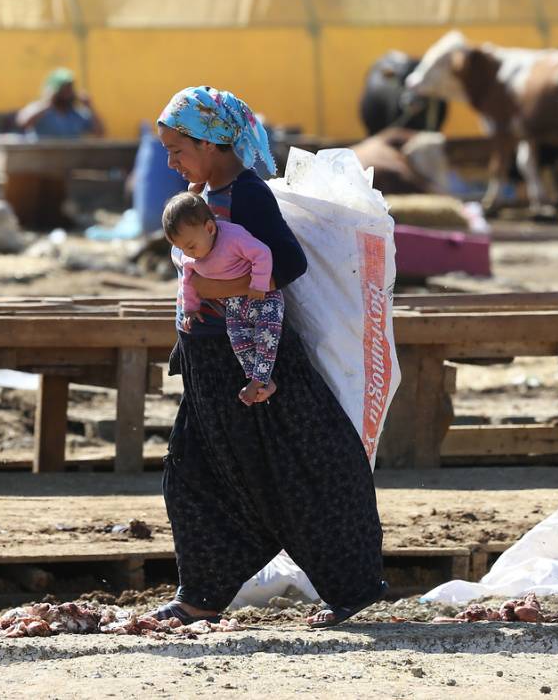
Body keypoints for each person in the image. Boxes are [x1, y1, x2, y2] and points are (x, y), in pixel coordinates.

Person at [150, 86, 386, 630]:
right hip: (210, 364)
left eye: (177, 148)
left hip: (253, 360)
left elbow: (288, 262)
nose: (170, 161)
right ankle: (203, 593)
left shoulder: (248, 194)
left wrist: (217, 291)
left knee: (304, 467)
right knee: (196, 475)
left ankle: (351, 585)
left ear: (212, 143)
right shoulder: (206, 194)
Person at [163, 190, 282, 405]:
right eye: (181, 248)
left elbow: (262, 254)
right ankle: (263, 380)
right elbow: (187, 281)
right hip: (234, 305)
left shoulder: (233, 237)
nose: (187, 253)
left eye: (190, 246)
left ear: (209, 228)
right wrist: (190, 308)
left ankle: (257, 383)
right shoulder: (190, 256)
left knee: (267, 336)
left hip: (264, 298)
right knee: (239, 340)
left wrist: (259, 284)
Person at [15, 68, 105, 138]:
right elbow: (23, 122)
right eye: (64, 88)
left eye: (70, 88)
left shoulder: (77, 114)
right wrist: (47, 102)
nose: (68, 92)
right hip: (41, 159)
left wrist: (90, 107)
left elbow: (99, 133)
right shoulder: (39, 109)